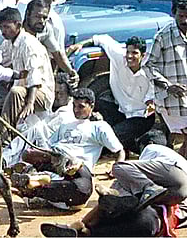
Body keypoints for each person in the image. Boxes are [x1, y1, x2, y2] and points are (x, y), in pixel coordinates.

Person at [41, 141, 187, 237]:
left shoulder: (157, 162)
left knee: (120, 195)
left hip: (150, 214)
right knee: (115, 211)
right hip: (150, 218)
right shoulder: (170, 168)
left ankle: (80, 227)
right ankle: (82, 230)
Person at [11, 88, 125, 210]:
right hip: (55, 161)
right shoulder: (65, 125)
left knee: (80, 192)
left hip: (78, 168)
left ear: (91, 106)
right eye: (74, 106)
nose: (76, 110)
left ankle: (32, 187)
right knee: (29, 153)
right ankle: (38, 178)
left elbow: (120, 151)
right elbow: (49, 147)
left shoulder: (98, 127)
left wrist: (116, 169)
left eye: (81, 107)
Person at [71, 35, 155, 154]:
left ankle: (138, 144)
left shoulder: (150, 71)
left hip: (141, 116)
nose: (130, 56)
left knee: (110, 138)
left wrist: (150, 103)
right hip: (120, 111)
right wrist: (79, 45)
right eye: (128, 52)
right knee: (97, 106)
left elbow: (152, 96)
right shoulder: (119, 56)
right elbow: (102, 39)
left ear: (143, 55)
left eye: (135, 53)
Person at [0, 5, 55, 143]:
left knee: (15, 92)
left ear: (18, 25)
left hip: (40, 93)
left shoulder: (29, 44)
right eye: (1, 27)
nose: (3, 31)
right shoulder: (9, 42)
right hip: (21, 92)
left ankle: (5, 140)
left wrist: (30, 103)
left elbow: (35, 76)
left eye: (6, 27)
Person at [3, 72, 76, 167]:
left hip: (54, 150)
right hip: (41, 145)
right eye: (55, 93)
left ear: (69, 94)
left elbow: (46, 134)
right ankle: (11, 162)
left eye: (60, 93)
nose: (57, 96)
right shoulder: (52, 109)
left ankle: (5, 157)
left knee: (35, 130)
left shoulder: (66, 113)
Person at [144, 0, 187, 157]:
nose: (184, 21)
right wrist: (168, 86)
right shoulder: (163, 36)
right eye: (181, 16)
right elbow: (148, 65)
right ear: (174, 13)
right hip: (172, 100)